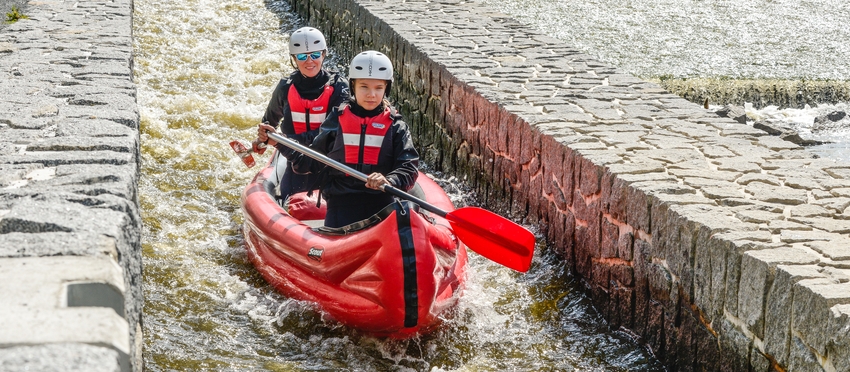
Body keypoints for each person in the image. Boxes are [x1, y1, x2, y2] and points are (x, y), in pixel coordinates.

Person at [268, 50, 419, 228]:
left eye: (378, 88)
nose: (371, 94)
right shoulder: (336, 121)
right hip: (341, 204)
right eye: (364, 87)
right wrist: (279, 142)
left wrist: (390, 180)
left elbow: (408, 167)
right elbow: (308, 163)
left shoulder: (396, 126)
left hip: (382, 205)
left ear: (387, 88)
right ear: (353, 86)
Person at [255, 26, 349, 200]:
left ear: (323, 54)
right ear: (294, 59)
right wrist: (263, 137)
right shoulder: (285, 87)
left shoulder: (339, 88)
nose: (309, 61)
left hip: (329, 160)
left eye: (314, 55)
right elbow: (269, 121)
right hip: (295, 161)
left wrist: (281, 140)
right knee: (290, 197)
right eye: (302, 57)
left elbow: (335, 133)